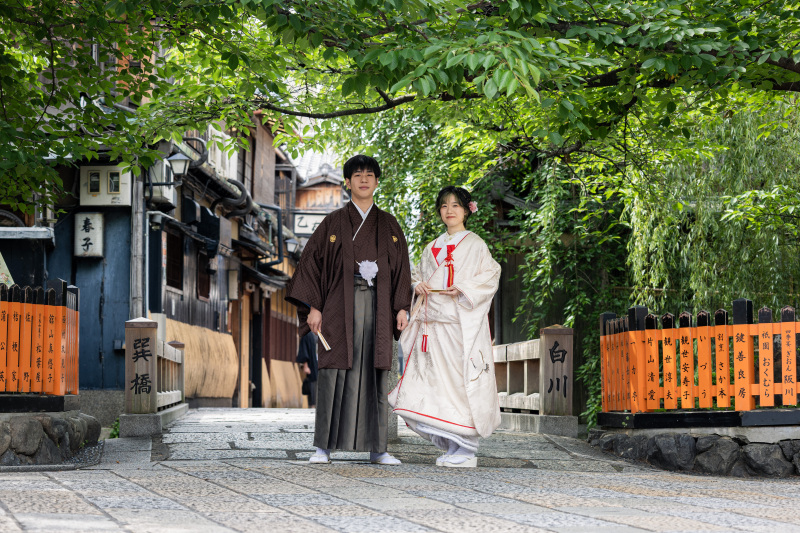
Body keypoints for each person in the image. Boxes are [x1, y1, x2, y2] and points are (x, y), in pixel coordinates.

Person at [286, 154, 412, 465]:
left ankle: (378, 449)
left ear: (377, 182)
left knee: (375, 371)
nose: (364, 179)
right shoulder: (333, 223)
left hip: (379, 304)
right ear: (348, 182)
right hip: (336, 305)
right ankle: (323, 448)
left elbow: (401, 271)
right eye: (357, 175)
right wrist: (314, 307)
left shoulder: (390, 225)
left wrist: (401, 307)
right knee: (332, 372)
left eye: (370, 174)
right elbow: (312, 265)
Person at [388, 186, 501, 468]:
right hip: (432, 326)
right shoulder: (432, 247)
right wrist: (418, 285)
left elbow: (491, 275)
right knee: (435, 385)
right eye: (444, 206)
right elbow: (417, 276)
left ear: (466, 210)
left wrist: (462, 288)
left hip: (459, 325)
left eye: (455, 205)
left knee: (459, 384)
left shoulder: (476, 245)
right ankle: (452, 446)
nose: (449, 210)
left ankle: (466, 448)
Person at [296, 331, 318, 408]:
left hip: (321, 366)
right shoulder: (307, 335)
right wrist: (305, 366)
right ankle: (312, 406)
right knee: (313, 388)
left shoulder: (321, 334)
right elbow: (304, 350)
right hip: (312, 367)